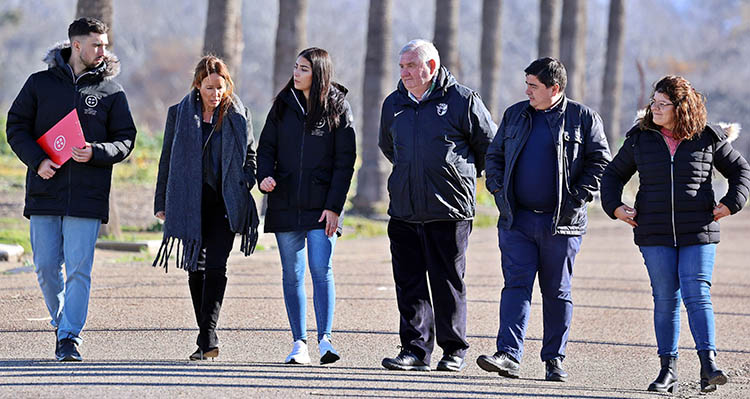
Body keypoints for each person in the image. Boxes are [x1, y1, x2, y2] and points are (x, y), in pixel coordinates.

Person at [601, 75, 750, 394]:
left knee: (697, 293)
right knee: (666, 298)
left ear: (680, 107)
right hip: (653, 231)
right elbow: (612, 175)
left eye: (662, 104)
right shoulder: (640, 138)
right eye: (653, 102)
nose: (653, 108)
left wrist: (731, 203)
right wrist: (616, 207)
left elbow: (740, 170)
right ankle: (667, 371)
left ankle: (708, 365)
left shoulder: (707, 136)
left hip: (699, 229)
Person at [5, 17, 137, 361]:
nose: (103, 51)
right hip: (44, 190)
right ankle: (60, 319)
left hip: (88, 196)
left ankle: (69, 337)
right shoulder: (39, 84)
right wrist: (37, 161)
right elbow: (16, 126)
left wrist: (97, 151)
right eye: (97, 44)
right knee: (46, 267)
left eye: (106, 44)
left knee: (79, 269)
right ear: (76, 45)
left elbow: (126, 140)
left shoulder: (111, 91)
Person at [477, 57, 611, 381]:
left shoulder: (584, 118)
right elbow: (494, 156)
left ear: (556, 88)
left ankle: (554, 359)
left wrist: (577, 198)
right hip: (517, 222)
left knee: (557, 292)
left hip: (561, 224)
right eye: (526, 84)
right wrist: (496, 188)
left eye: (533, 86)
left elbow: (600, 163)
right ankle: (508, 355)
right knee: (515, 287)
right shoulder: (514, 114)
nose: (527, 91)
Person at [378, 39, 496, 372]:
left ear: (430, 67)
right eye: (401, 66)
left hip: (449, 210)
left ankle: (453, 350)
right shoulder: (394, 103)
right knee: (409, 282)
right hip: (404, 208)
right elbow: (389, 146)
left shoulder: (462, 100)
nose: (405, 73)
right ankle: (415, 350)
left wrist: (459, 176)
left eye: (411, 66)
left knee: (447, 281)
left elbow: (490, 146)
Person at [152, 55, 259, 361]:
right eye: (209, 87)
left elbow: (251, 155)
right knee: (194, 268)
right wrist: (162, 201)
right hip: (190, 201)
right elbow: (167, 160)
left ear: (228, 86)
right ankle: (206, 338)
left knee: (215, 265)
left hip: (225, 202)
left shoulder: (239, 115)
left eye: (220, 87)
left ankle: (207, 335)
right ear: (197, 86)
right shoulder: (179, 114)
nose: (215, 94)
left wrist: (244, 183)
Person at [256, 47, 356, 365]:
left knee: (320, 268)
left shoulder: (337, 107)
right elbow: (266, 147)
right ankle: (299, 343)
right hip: (285, 203)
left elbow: (345, 162)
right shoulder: (283, 105)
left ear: (319, 73)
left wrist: (334, 208)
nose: (296, 73)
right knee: (292, 274)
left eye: (303, 69)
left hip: (322, 207)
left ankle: (325, 340)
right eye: (295, 67)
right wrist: (264, 176)